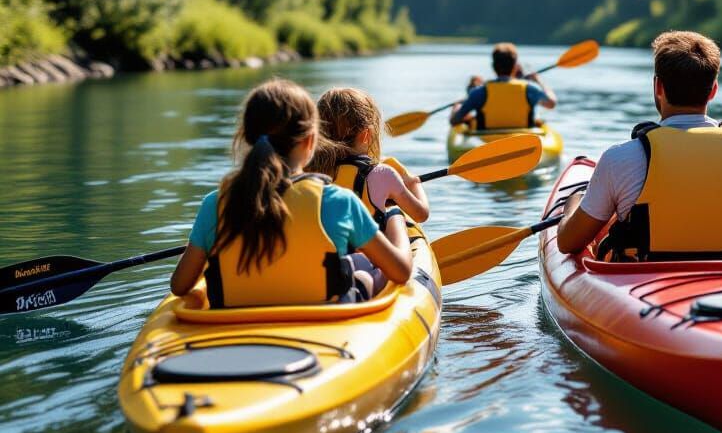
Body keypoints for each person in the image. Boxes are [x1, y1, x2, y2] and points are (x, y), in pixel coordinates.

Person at [558, 31, 722, 261]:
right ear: (713, 90)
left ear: (658, 87)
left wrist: (573, 202)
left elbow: (568, 243)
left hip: (643, 284)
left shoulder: (620, 159)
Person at [170, 78, 413, 307]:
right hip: (325, 326)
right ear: (311, 141)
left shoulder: (215, 204)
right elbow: (401, 272)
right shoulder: (340, 202)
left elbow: (180, 286)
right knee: (361, 269)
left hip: (232, 325)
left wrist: (203, 240)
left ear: (247, 137)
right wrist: (395, 219)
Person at [310, 86, 430, 289]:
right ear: (366, 135)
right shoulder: (382, 174)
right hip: (369, 263)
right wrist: (414, 184)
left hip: (321, 265)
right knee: (394, 212)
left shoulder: (309, 171)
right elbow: (420, 214)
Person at [449, 42, 557, 130]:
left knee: (459, 108)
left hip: (486, 141)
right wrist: (539, 80)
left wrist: (457, 107)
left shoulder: (479, 92)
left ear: (493, 67)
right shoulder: (530, 89)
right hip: (523, 139)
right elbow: (551, 103)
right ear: (515, 67)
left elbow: (454, 121)